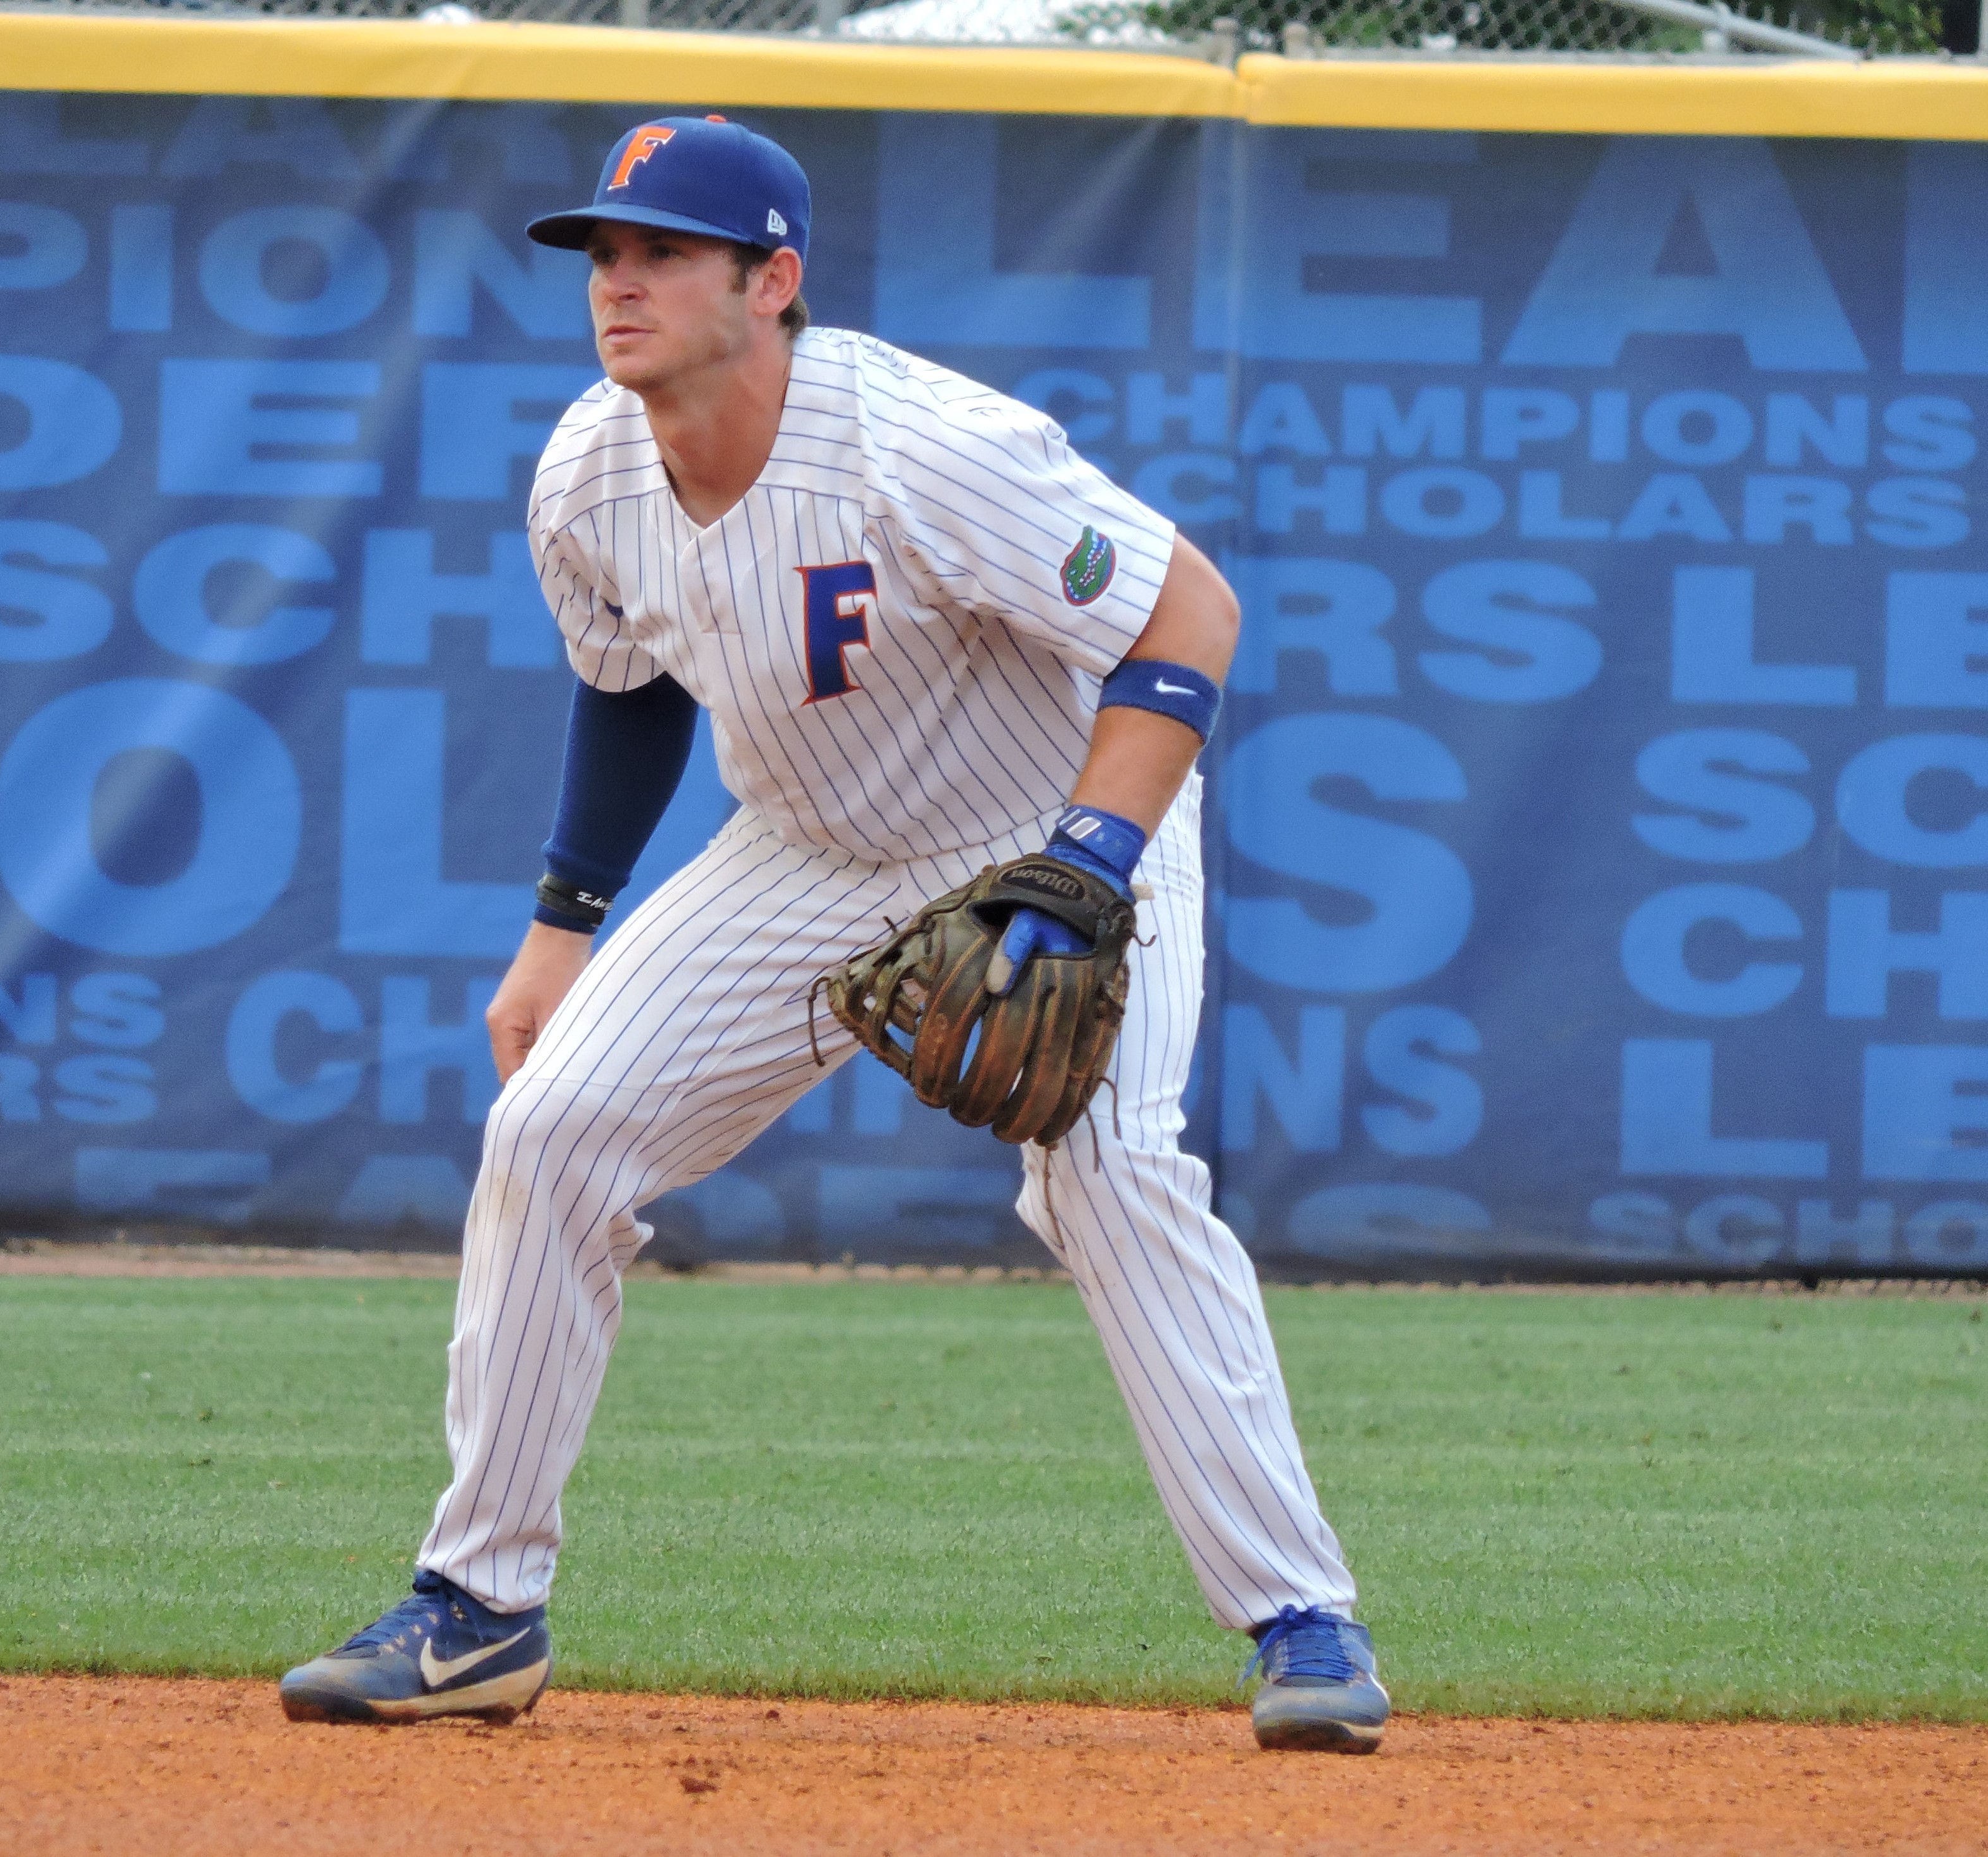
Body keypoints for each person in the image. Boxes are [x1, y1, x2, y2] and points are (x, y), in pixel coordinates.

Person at [280, 115, 1389, 1754]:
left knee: (1109, 1175)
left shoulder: (926, 447)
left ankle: (1303, 1620)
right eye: (603, 253)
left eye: (665, 252)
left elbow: (1189, 614)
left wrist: (1090, 861)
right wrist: (560, 928)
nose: (619, 283)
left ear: (771, 279)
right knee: (555, 1130)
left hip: (1058, 832)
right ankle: (477, 1609)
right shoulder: (588, 469)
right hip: (804, 848)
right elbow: (629, 688)